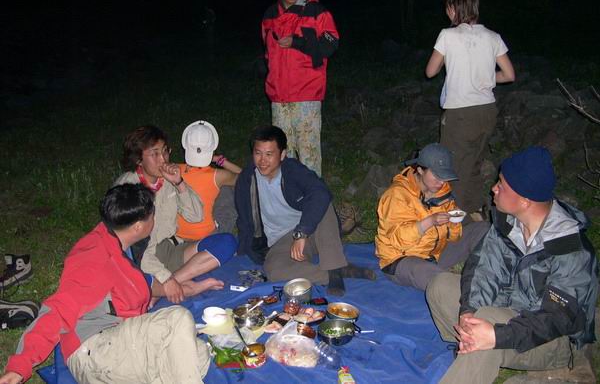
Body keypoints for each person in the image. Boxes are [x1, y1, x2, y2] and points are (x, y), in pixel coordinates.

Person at [0, 184, 211, 384]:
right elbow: (59, 310)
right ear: (138, 226)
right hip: (95, 351)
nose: (154, 219)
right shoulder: (93, 258)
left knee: (198, 353)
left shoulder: (117, 240)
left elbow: (140, 282)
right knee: (176, 320)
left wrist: (179, 287)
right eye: (152, 215)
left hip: (121, 343)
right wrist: (20, 366)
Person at [426, 147, 598, 384]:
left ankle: (477, 349)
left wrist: (497, 335)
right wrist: (468, 311)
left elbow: (558, 319)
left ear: (525, 200)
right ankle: (470, 344)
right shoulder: (508, 222)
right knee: (440, 286)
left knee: (486, 326)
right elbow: (483, 269)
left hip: (550, 340)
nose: (493, 188)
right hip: (508, 307)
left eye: (502, 185)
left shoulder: (571, 249)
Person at [235, 125, 375, 296]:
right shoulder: (247, 179)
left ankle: (334, 267)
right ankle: (334, 273)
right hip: (282, 241)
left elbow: (320, 192)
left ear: (282, 154)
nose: (262, 160)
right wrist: (244, 248)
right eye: (258, 153)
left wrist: (302, 233)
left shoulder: (292, 170)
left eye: (269, 154)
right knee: (274, 270)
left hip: (313, 232)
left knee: (323, 203)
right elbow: (244, 218)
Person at [114, 125, 236, 304]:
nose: (163, 159)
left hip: (171, 248)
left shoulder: (168, 178)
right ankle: (171, 285)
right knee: (131, 284)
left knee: (227, 242)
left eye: (165, 151)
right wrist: (165, 277)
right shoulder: (128, 190)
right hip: (142, 258)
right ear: (139, 159)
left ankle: (162, 290)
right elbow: (135, 250)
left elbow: (196, 216)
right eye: (155, 154)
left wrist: (179, 183)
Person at [425, 0, 515, 222]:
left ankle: (456, 219)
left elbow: (430, 71)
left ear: (453, 8)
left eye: (447, 6)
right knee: (474, 162)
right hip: (487, 111)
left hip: (460, 113)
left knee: (451, 167)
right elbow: (509, 75)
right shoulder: (492, 36)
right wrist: (487, 78)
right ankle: (476, 211)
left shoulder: (447, 35)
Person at [375, 143, 488, 290]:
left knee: (483, 229)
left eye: (444, 176)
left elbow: (454, 238)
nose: (441, 182)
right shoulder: (397, 195)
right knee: (433, 276)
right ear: (420, 170)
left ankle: (489, 275)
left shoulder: (443, 192)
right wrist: (429, 222)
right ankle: (465, 293)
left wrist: (453, 222)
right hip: (401, 259)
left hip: (434, 255)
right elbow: (398, 242)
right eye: (437, 176)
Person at [261, 0, 339, 176]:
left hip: (307, 93)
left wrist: (297, 42)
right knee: (282, 154)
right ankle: (287, 192)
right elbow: (269, 53)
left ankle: (313, 193)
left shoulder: (316, 11)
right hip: (279, 96)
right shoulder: (269, 15)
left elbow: (331, 44)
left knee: (309, 154)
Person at [177, 120, 241, 242]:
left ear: (185, 147)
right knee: (228, 188)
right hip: (207, 236)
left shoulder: (175, 169)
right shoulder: (218, 175)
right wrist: (220, 160)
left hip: (178, 233)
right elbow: (245, 178)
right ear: (212, 148)